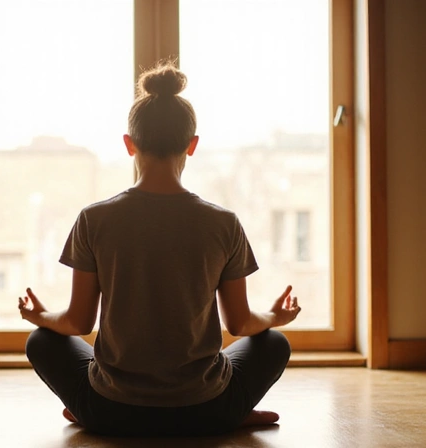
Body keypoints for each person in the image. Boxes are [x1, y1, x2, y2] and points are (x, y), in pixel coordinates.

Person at [19, 61, 301, 437]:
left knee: (42, 341)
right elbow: (240, 324)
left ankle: (86, 411)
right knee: (274, 344)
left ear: (129, 143)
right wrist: (274, 318)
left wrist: (40, 317)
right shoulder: (223, 223)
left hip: (110, 410)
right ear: (192, 145)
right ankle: (231, 414)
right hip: (205, 408)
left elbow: (77, 323)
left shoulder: (94, 218)